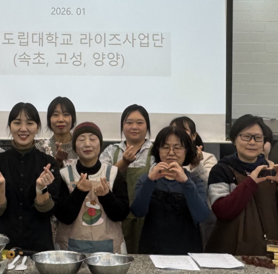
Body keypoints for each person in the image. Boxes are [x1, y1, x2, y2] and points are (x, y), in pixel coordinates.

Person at [206, 114, 278, 255]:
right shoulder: (222, 170)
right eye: (246, 137)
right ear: (234, 140)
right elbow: (223, 212)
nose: (252, 142)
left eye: (258, 138)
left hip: (269, 252)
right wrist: (249, 183)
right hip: (230, 253)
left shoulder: (273, 171)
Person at [0, 102, 67, 251]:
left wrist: (41, 188)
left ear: (38, 127)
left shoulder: (49, 164)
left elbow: (47, 211)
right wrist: (0, 186)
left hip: (38, 245)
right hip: (3, 246)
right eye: (17, 123)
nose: (23, 128)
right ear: (10, 126)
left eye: (29, 123)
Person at [131, 127, 210, 254]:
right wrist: (150, 181)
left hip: (188, 251)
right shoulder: (146, 179)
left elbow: (201, 215)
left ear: (186, 151)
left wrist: (186, 182)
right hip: (152, 250)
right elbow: (138, 212)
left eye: (177, 148)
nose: (171, 152)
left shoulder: (195, 181)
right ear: (158, 150)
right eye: (165, 147)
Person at [55, 122, 130, 253]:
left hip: (110, 250)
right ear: (74, 146)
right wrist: (78, 192)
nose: (87, 144)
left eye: (92, 139)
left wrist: (106, 196)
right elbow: (63, 217)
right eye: (81, 139)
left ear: (100, 145)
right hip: (70, 250)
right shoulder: (64, 174)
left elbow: (122, 214)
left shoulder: (113, 173)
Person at [100, 104, 153, 254]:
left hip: (147, 218)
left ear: (147, 127)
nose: (134, 127)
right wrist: (123, 162)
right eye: (129, 122)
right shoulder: (111, 151)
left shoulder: (156, 151)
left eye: (140, 123)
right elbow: (101, 178)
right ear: (122, 126)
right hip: (115, 217)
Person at [170, 116, 217, 186]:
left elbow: (209, 185)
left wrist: (196, 165)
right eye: (175, 131)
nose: (179, 134)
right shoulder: (166, 155)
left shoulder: (208, 158)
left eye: (183, 131)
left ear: (194, 136)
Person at [36, 96, 78, 167]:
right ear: (49, 119)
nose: (61, 119)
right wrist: (57, 163)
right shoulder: (40, 148)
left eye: (66, 114)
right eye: (55, 115)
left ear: (73, 119)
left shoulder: (80, 146)